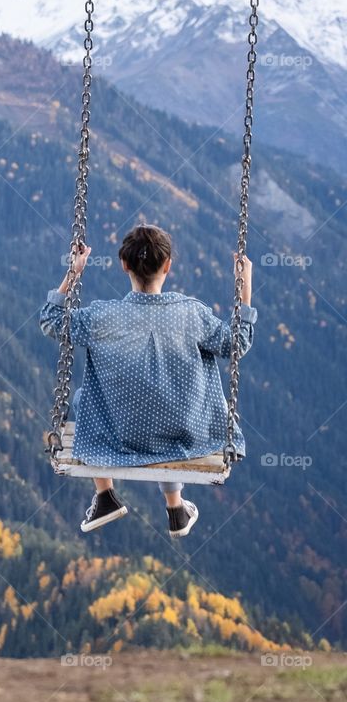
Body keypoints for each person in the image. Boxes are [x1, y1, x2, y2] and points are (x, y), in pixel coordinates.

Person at [40, 224, 256, 537]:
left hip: (122, 436)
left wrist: (73, 272)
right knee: (171, 402)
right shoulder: (191, 314)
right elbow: (236, 345)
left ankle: (105, 497)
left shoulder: (102, 316)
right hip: (187, 435)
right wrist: (244, 287)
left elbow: (51, 321)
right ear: (168, 265)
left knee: (84, 396)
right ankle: (175, 506)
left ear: (123, 264)